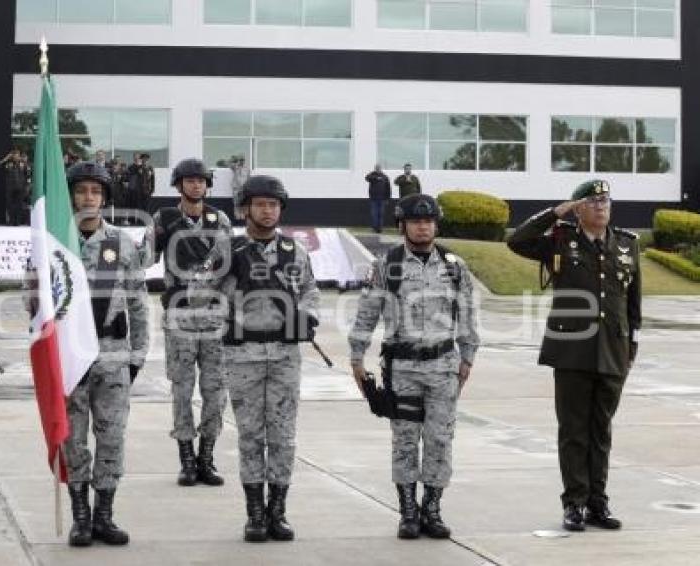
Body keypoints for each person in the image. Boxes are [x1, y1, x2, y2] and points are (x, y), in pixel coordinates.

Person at [27, 161, 149, 547]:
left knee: (111, 437)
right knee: (74, 439)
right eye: (81, 191)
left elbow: (139, 303)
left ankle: (104, 515)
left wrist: (137, 356)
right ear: (71, 197)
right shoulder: (54, 243)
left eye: (96, 192)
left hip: (113, 355)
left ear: (105, 199)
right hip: (69, 356)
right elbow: (35, 300)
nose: (88, 198)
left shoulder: (122, 243)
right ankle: (80, 516)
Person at [507, 179, 640, 532]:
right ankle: (574, 504)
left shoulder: (627, 245)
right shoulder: (560, 240)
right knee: (573, 432)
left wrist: (632, 346)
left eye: (605, 201)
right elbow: (516, 240)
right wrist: (556, 212)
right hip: (572, 351)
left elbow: (633, 304)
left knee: (601, 431)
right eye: (592, 201)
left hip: (613, 351)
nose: (600, 206)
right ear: (578, 208)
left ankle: (598, 503)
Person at [195, 175, 320, 542]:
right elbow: (198, 293)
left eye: (274, 204)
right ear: (246, 208)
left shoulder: (295, 251)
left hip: (284, 355)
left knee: (283, 436)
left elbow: (311, 291)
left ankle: (277, 511)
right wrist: (229, 299)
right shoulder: (226, 250)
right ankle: (254, 514)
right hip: (242, 354)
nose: (268, 211)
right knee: (250, 435)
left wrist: (306, 317)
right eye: (260, 204)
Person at [348, 193, 479, 540]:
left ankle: (432, 509)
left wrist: (468, 357)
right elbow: (367, 313)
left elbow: (467, 315)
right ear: (402, 225)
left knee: (439, 439)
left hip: (443, 366)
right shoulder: (387, 264)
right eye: (416, 221)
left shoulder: (454, 265)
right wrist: (356, 357)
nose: (423, 226)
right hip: (403, 367)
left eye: (429, 221)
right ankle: (408, 511)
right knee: (405, 440)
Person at [146, 158, 232, 488]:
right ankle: (186, 458)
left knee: (215, 390)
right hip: (179, 314)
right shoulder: (164, 218)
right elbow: (145, 258)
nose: (196, 185)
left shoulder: (219, 219)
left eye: (201, 181)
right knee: (182, 388)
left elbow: (228, 265)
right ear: (179, 184)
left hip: (214, 315)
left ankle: (206, 456)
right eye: (189, 180)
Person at [0, 148, 31, 226]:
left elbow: (28, 174)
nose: (15, 156)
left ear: (19, 155)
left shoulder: (23, 163)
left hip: (20, 187)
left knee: (19, 205)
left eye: (17, 154)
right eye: (14, 154)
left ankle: (17, 222)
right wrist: (6, 158)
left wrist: (27, 186)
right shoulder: (8, 163)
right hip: (10, 187)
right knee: (10, 205)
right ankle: (11, 221)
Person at [128, 153, 156, 222]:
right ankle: (139, 221)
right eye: (143, 159)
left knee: (147, 207)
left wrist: (152, 189)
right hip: (139, 191)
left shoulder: (150, 168)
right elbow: (132, 171)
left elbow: (153, 179)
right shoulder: (138, 167)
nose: (145, 160)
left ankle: (146, 221)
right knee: (139, 207)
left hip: (147, 191)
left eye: (146, 159)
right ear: (141, 160)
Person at [365, 164, 391, 233]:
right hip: (374, 199)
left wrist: (387, 198)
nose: (378, 169)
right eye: (376, 168)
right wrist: (376, 178)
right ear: (375, 169)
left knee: (381, 214)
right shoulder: (372, 175)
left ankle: (380, 229)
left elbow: (388, 188)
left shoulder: (385, 177)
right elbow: (367, 178)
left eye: (379, 168)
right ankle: (374, 228)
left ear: (381, 168)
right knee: (374, 214)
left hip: (382, 199)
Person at [229, 155, 250, 222]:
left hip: (243, 188)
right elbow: (229, 165)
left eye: (243, 160)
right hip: (236, 188)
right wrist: (236, 162)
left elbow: (248, 178)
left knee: (243, 202)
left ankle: (242, 217)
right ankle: (237, 217)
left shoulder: (247, 169)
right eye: (240, 160)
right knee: (236, 203)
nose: (242, 161)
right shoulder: (235, 167)